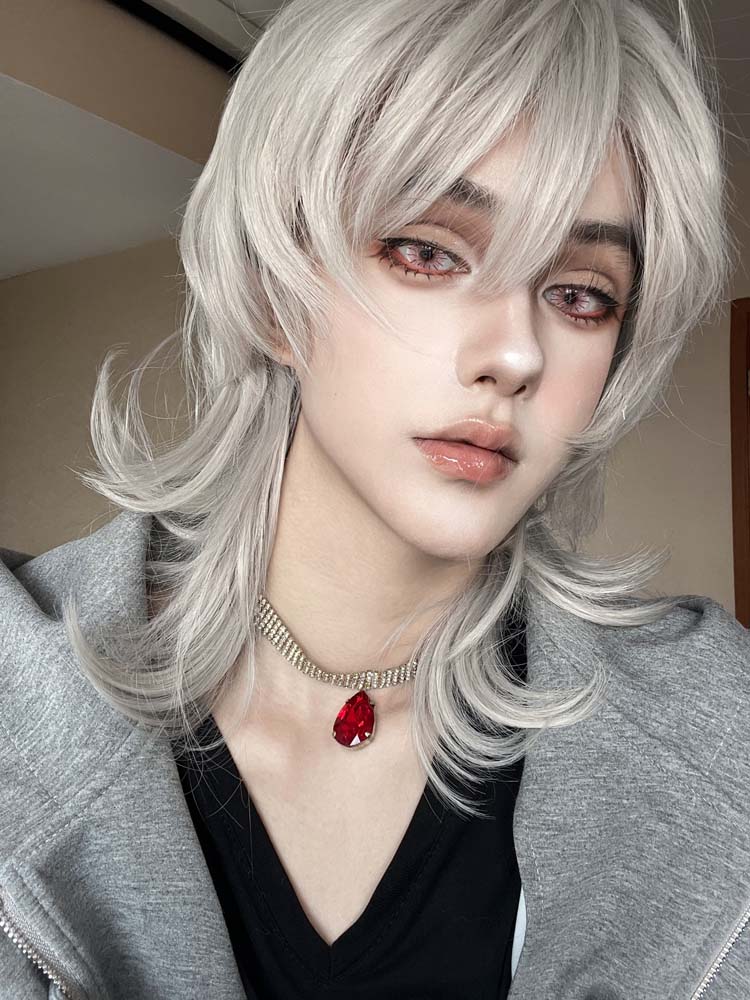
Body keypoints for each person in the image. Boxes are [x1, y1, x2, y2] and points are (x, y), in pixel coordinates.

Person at [1, 0, 748, 997]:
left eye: (581, 293)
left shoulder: (720, 735)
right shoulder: (17, 702)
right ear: (276, 288)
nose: (516, 355)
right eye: (430, 251)